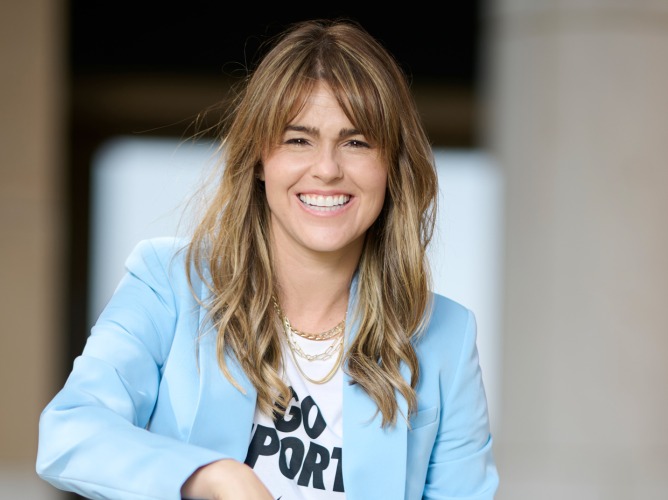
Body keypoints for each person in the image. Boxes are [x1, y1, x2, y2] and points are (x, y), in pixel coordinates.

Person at [36, 18, 499, 500]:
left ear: (391, 167)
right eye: (298, 140)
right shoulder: (169, 284)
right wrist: (211, 476)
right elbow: (70, 435)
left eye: (356, 142)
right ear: (260, 159)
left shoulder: (446, 335)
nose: (326, 168)